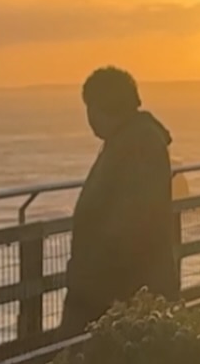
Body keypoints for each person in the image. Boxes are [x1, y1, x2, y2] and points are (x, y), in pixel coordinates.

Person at [61, 67, 180, 335]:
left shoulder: (137, 144)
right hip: (113, 289)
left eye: (90, 107)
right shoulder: (128, 140)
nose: (88, 117)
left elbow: (131, 223)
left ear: (104, 106)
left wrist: (97, 281)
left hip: (115, 292)